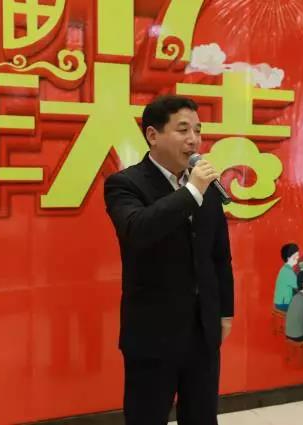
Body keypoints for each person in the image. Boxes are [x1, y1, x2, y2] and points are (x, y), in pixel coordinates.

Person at [104, 95, 234, 425]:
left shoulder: (206, 185)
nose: (194, 139)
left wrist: (225, 311)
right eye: (183, 129)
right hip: (153, 333)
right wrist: (191, 192)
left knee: (202, 416)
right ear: (153, 135)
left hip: (202, 330)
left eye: (198, 130)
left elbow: (219, 255)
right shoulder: (125, 184)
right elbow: (138, 230)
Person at [273, 243, 299, 312]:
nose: (297, 257)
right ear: (288, 258)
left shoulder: (285, 268)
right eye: (295, 256)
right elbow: (299, 286)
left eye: (298, 255)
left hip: (281, 301)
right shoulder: (288, 272)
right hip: (283, 304)